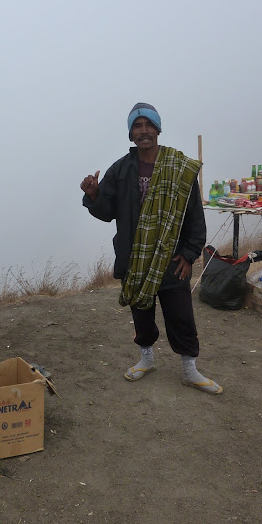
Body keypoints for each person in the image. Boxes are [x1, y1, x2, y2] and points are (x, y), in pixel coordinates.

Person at [80, 102, 222, 394]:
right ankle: (146, 359)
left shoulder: (179, 167)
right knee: (141, 313)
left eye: (148, 124)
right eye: (137, 125)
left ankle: (189, 370)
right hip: (135, 258)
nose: (143, 131)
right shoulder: (120, 169)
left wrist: (190, 252)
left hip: (172, 258)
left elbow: (194, 213)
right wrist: (94, 194)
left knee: (181, 315)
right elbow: (107, 211)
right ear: (131, 134)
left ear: (158, 129)